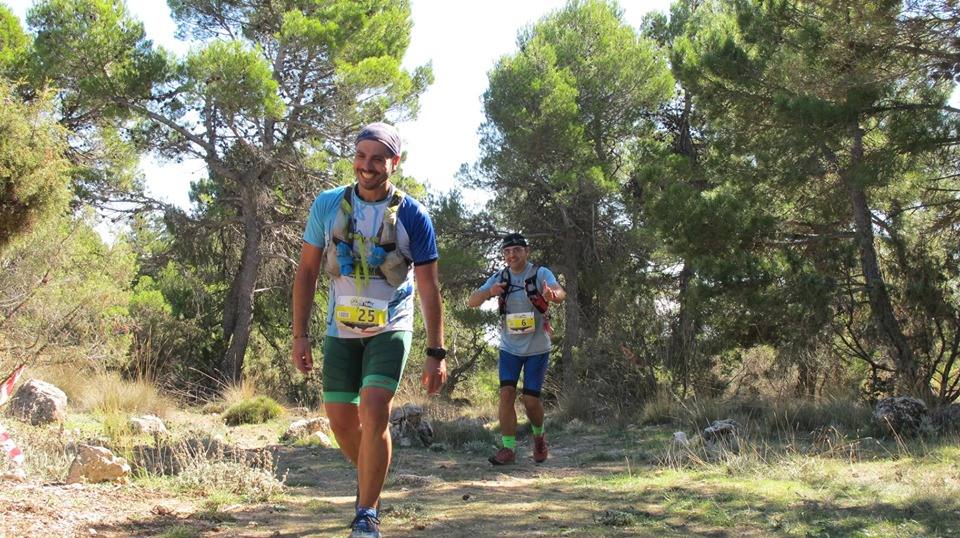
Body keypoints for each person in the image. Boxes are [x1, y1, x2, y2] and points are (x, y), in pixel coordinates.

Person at [291, 122, 447, 538]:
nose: (367, 166)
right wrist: (299, 334)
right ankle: (372, 483)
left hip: (390, 325)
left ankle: (366, 515)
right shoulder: (327, 205)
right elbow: (307, 271)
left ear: (394, 163)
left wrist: (436, 352)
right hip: (340, 329)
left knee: (374, 408)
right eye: (361, 156)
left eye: (378, 158)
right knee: (341, 420)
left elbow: (430, 287)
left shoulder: (414, 215)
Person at [467, 233, 565, 465]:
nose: (512, 255)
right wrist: (489, 293)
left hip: (537, 348)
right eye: (507, 252)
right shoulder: (500, 277)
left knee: (530, 400)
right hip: (509, 347)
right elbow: (472, 301)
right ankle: (508, 449)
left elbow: (560, 293)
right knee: (506, 394)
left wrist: (552, 295)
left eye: (516, 250)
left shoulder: (540, 273)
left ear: (526, 251)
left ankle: (539, 437)